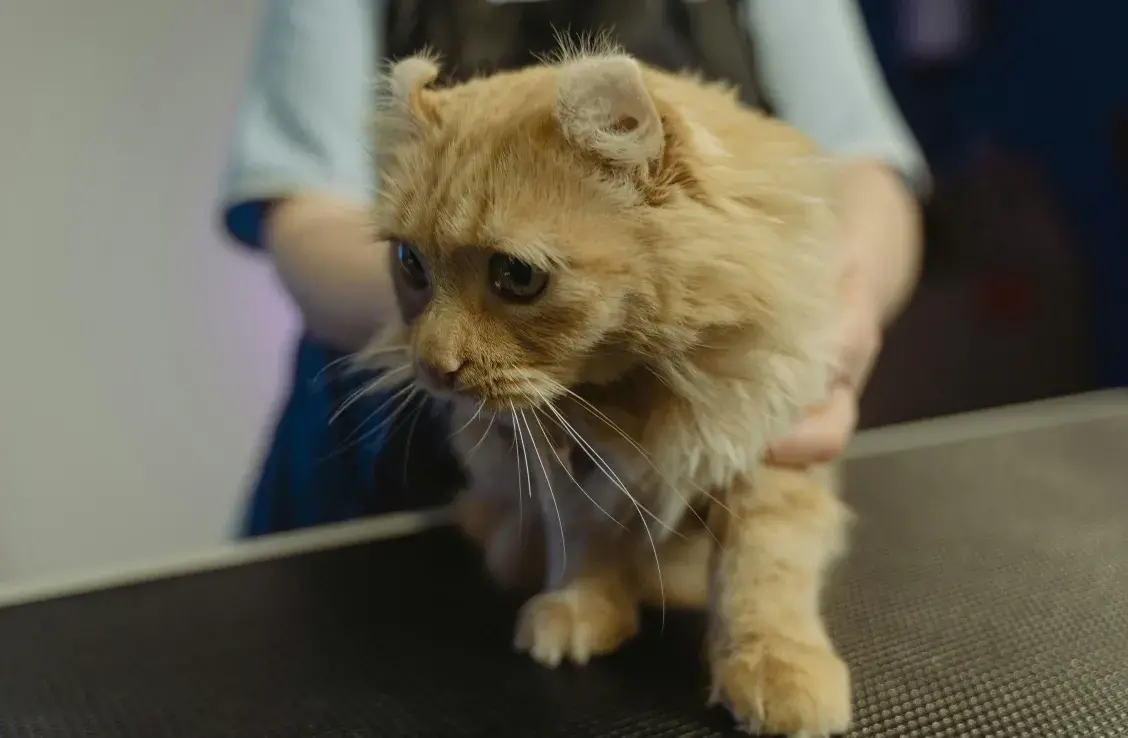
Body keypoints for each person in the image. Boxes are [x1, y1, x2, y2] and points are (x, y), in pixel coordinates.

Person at [221, 0, 928, 536]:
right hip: (395, 474)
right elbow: (308, 218)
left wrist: (831, 324)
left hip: (703, 435)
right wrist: (490, 345)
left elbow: (865, 170)